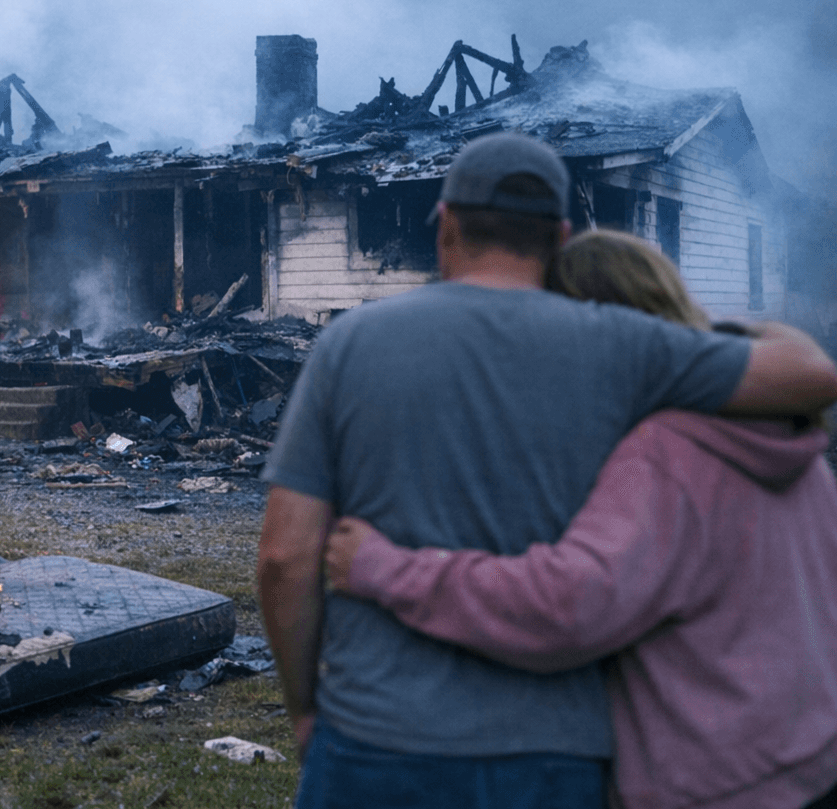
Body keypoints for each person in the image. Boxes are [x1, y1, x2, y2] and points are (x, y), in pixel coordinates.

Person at [256, 132, 837, 809]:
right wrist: (708, 331)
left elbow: (284, 558)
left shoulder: (350, 342)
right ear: (560, 236)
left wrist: (305, 708)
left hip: (374, 733)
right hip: (554, 751)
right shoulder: (624, 344)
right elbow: (812, 378)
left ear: (446, 224)